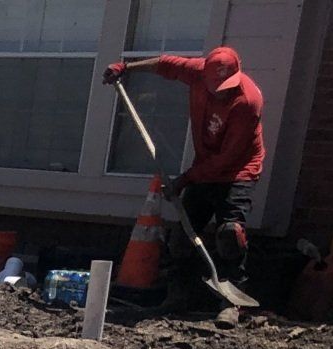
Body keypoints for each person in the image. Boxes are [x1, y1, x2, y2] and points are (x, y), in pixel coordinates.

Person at [105, 46, 265, 295]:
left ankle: (233, 303)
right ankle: (179, 295)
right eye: (218, 87)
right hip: (205, 166)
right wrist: (126, 69)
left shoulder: (247, 102)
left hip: (237, 171)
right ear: (205, 76)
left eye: (228, 85)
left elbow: (225, 160)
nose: (224, 92)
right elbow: (165, 64)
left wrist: (183, 181)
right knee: (183, 236)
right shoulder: (197, 72)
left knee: (230, 235)